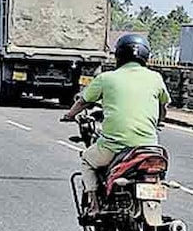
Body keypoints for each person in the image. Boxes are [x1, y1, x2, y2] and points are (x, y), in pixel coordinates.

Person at [61, 34, 170, 218]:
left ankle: (94, 205)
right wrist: (158, 121)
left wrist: (69, 115)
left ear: (119, 54)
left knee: (87, 160)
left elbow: (83, 101)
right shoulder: (156, 78)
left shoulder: (106, 78)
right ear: (145, 55)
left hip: (114, 147)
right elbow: (163, 106)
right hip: (148, 147)